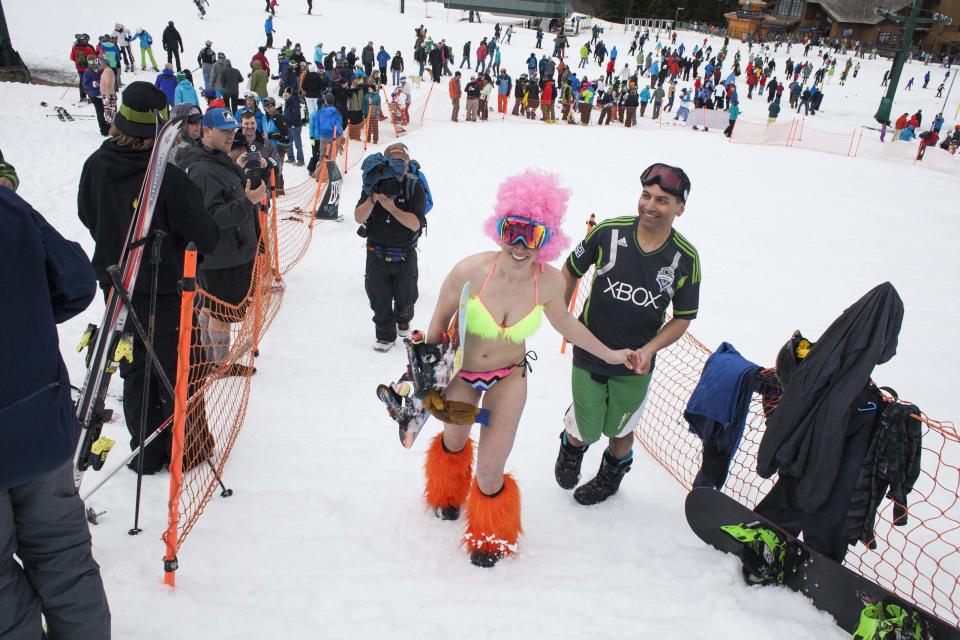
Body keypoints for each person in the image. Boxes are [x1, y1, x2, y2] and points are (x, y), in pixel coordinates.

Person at [421, 170, 641, 567]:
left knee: (490, 473)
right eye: (513, 231)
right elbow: (438, 322)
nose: (520, 245)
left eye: (533, 235)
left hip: (509, 377)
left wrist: (610, 354)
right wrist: (426, 380)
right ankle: (447, 493)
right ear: (499, 228)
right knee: (453, 441)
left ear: (547, 239)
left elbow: (568, 325)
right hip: (462, 376)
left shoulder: (549, 283)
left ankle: (490, 535)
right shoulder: (469, 271)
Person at [77, 82, 221, 474]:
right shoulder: (165, 180)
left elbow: (87, 215)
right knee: (176, 368)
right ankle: (182, 448)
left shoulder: (95, 165)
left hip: (116, 287)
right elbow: (205, 233)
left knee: (136, 367)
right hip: (163, 289)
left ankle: (147, 448)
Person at [0, 153, 112, 639]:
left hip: (34, 416)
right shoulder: (7, 207)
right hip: (37, 419)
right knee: (64, 558)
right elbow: (74, 281)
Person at [555, 163, 700, 505]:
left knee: (621, 430)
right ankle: (571, 447)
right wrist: (564, 317)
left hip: (636, 363)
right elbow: (571, 269)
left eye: (662, 200)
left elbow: (683, 318)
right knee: (586, 428)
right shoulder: (608, 232)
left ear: (680, 207)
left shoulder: (686, 259)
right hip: (591, 351)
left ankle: (610, 476)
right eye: (646, 195)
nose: (650, 206)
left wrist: (649, 350)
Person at [354, 143, 426, 351]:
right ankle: (385, 335)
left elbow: (415, 224)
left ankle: (403, 318)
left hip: (405, 252)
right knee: (378, 297)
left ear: (406, 162)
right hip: (376, 251)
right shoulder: (373, 183)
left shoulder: (414, 186)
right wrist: (373, 199)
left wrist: (391, 208)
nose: (397, 164)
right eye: (392, 159)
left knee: (407, 297)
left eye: (400, 159)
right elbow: (359, 218)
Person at [307, 93, 344, 175]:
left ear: (326, 101)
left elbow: (317, 124)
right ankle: (329, 174)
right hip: (333, 136)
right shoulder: (336, 112)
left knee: (322, 155)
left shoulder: (321, 112)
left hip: (323, 136)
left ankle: (320, 174)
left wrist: (320, 133)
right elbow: (339, 125)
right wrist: (340, 135)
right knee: (331, 155)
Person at [82, 57, 110, 136]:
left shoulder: (101, 68)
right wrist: (95, 83)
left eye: (94, 62)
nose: (93, 64)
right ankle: (104, 130)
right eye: (91, 63)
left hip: (103, 93)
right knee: (100, 112)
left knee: (107, 111)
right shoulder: (88, 71)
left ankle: (110, 126)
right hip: (94, 95)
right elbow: (86, 84)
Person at [70, 33, 97, 102]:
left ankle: (83, 97)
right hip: (88, 69)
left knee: (82, 82)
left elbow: (72, 57)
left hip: (79, 68)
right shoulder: (88, 48)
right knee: (89, 82)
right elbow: (94, 57)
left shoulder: (74, 48)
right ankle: (91, 97)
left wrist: (78, 63)